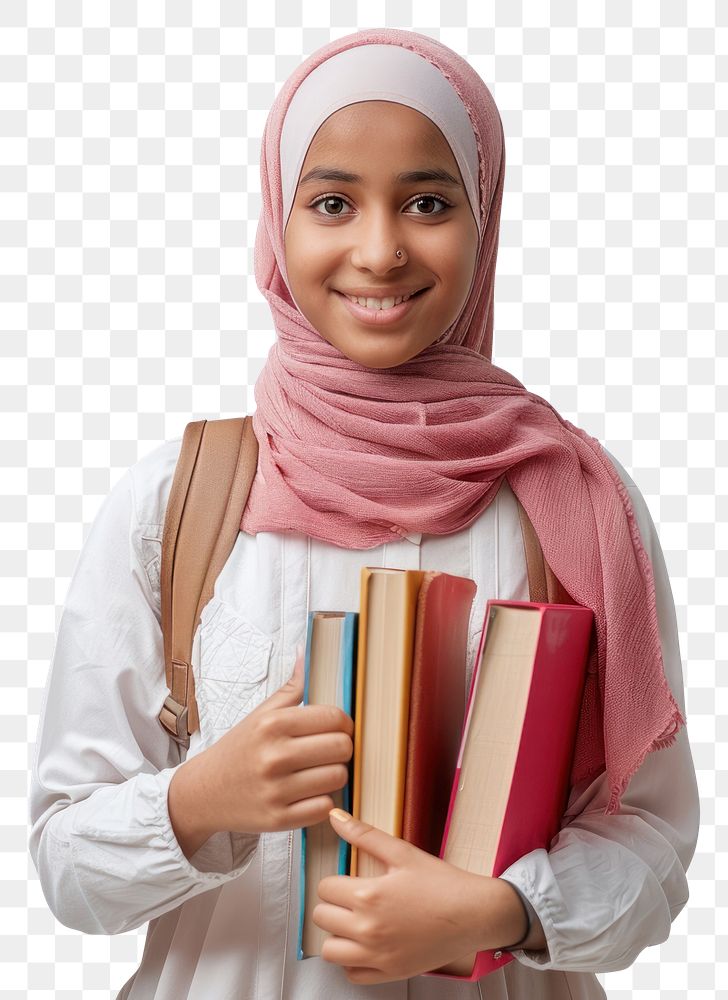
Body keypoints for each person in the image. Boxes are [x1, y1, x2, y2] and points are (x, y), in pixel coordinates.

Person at [28, 27, 700, 1000]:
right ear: (276, 217)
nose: (379, 250)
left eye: (427, 202)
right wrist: (202, 797)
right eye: (332, 201)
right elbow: (65, 866)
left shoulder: (572, 497)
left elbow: (651, 841)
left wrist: (502, 911)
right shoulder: (180, 498)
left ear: (485, 217)